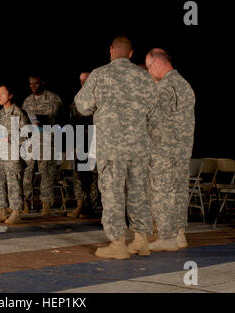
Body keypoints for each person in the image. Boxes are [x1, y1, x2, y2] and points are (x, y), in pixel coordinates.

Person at [75, 36, 158, 260]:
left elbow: (82, 106)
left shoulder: (99, 75)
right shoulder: (145, 77)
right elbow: (155, 112)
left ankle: (118, 243)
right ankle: (141, 241)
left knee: (112, 193)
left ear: (111, 50)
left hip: (111, 147)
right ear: (131, 54)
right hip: (139, 147)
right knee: (139, 192)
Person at [145, 48, 195, 251]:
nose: (148, 72)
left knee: (162, 192)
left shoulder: (164, 87)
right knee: (179, 191)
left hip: (163, 149)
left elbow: (154, 121)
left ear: (157, 63)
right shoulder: (185, 85)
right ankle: (179, 233)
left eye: (148, 67)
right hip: (183, 149)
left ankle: (166, 237)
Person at [0, 84, 28, 224]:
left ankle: (16, 212)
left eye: (2, 93)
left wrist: (10, 138)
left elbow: (26, 135)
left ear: (10, 96)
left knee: (13, 183)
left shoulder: (18, 113)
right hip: (0, 154)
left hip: (13, 154)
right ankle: (2, 211)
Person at [22, 75, 62, 216]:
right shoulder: (27, 101)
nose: (33, 86)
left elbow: (60, 120)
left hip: (47, 140)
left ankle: (46, 204)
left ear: (42, 82)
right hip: (31, 142)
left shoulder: (53, 98)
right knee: (27, 172)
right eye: (30, 84)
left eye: (36, 83)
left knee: (46, 173)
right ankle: (25, 202)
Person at [67, 72, 100, 218]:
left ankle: (90, 207)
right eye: (81, 81)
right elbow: (71, 123)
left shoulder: (99, 99)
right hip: (79, 141)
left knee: (92, 176)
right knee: (79, 175)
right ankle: (80, 205)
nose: (83, 83)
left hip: (94, 141)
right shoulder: (76, 101)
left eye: (85, 80)